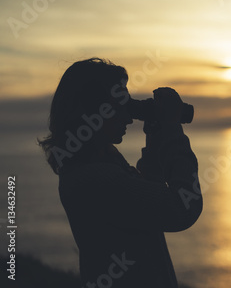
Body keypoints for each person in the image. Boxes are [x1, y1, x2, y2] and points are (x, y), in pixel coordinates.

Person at [38, 58, 203, 288]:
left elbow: (148, 202)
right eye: (120, 106)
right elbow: (183, 208)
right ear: (93, 110)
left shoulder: (96, 165)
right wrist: (173, 132)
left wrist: (156, 138)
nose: (128, 117)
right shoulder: (96, 178)